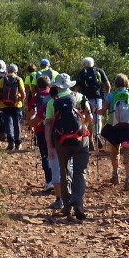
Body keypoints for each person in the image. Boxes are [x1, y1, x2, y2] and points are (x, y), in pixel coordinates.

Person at [45, 73, 93, 220]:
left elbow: (48, 125)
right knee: (80, 172)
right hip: (80, 140)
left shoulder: (52, 102)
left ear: (57, 86)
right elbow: (89, 117)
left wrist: (49, 147)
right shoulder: (80, 97)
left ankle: (66, 207)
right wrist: (83, 125)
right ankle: (78, 203)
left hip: (61, 141)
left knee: (65, 172)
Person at [100, 74, 129, 190]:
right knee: (128, 154)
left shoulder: (111, 96)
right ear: (126, 83)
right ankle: (128, 180)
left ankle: (115, 175)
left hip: (114, 129)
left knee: (114, 152)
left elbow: (102, 111)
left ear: (116, 83)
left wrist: (95, 112)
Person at [29, 75, 58, 195]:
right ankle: (60, 180)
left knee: (45, 155)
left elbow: (30, 116)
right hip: (55, 128)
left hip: (40, 129)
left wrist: (31, 124)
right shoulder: (54, 96)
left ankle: (49, 181)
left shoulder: (35, 98)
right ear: (49, 84)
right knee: (56, 154)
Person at [77, 57, 110, 145]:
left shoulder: (81, 73)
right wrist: (107, 96)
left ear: (84, 64)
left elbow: (78, 88)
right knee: (98, 117)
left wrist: (76, 98)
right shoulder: (99, 71)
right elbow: (108, 85)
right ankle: (98, 134)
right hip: (97, 97)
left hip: (85, 99)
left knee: (88, 118)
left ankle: (91, 140)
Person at [0, 63, 27, 152]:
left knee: (8, 124)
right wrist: (21, 101)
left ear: (8, 71)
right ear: (16, 71)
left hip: (4, 105)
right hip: (16, 105)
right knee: (16, 123)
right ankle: (18, 143)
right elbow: (23, 93)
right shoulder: (18, 79)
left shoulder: (2, 80)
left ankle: (11, 143)